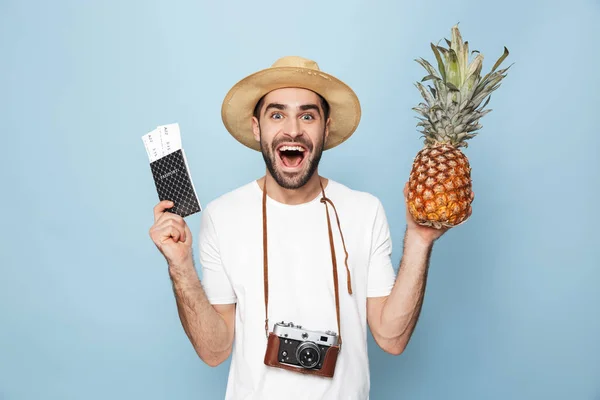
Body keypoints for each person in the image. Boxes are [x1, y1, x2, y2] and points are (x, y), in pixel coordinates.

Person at [148, 56, 472, 399]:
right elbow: (213, 351)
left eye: (307, 115)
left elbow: (392, 339)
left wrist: (420, 241)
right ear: (257, 128)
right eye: (277, 115)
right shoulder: (221, 215)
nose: (292, 130)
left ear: (325, 128)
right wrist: (180, 266)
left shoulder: (365, 210)